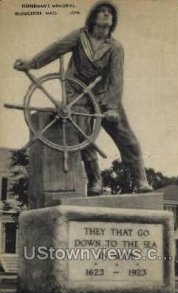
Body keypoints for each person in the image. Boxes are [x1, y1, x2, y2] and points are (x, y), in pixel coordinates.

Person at [14, 0, 153, 196]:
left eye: (110, 13)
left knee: (126, 137)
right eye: (102, 11)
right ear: (93, 17)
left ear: (113, 20)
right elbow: (55, 49)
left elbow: (116, 78)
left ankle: (141, 180)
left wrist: (112, 107)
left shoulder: (115, 47)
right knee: (83, 136)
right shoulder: (79, 37)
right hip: (77, 94)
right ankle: (95, 181)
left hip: (105, 95)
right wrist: (32, 63)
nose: (106, 15)